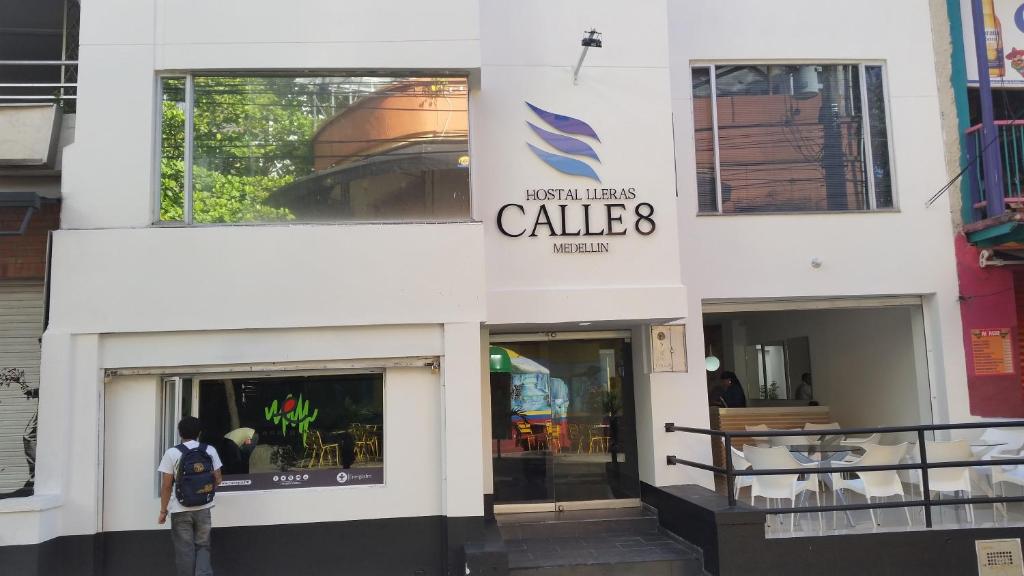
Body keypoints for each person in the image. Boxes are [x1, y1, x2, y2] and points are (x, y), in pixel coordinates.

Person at [158, 417, 223, 576]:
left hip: (180, 510)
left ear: (180, 433)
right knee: (203, 546)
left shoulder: (172, 453)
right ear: (199, 433)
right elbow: (218, 479)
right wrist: (205, 491)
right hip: (203, 508)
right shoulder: (210, 450)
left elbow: (166, 486)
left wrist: (163, 511)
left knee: (184, 550)